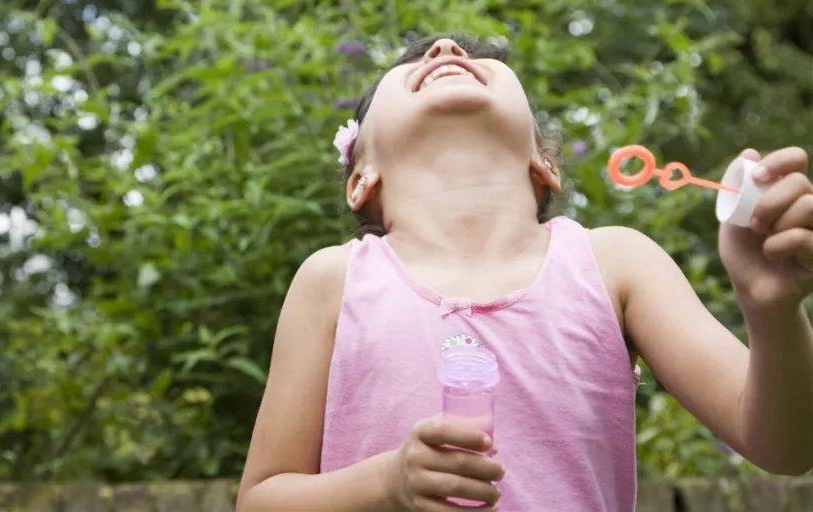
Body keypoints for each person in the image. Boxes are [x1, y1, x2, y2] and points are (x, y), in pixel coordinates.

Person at [235, 35, 813, 511]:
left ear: (546, 164)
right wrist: (385, 483)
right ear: (361, 179)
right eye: (414, 61)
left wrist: (773, 312)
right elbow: (260, 499)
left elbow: (787, 447)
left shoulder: (616, 263)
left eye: (474, 55)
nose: (442, 49)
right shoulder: (333, 280)